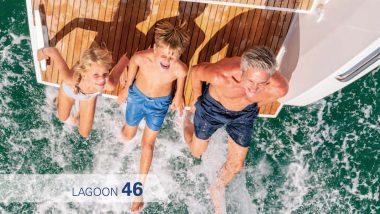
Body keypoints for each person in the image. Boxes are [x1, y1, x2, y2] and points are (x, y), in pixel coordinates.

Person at [183, 47, 289, 213]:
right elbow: (196, 72)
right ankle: (186, 122)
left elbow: (274, 94)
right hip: (213, 108)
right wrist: (198, 100)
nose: (254, 89)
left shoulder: (278, 87)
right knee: (196, 152)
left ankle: (217, 187)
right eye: (251, 82)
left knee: (236, 165)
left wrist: (250, 104)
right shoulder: (222, 75)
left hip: (243, 115)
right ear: (242, 71)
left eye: (262, 83)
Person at [117, 21, 190, 212]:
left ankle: (138, 191)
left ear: (179, 54)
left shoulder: (180, 69)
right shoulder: (142, 57)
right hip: (137, 98)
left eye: (173, 56)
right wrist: (126, 88)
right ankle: (124, 133)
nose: (167, 60)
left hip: (159, 105)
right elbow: (133, 63)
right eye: (164, 55)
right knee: (128, 135)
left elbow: (181, 81)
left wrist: (178, 95)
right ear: (154, 48)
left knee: (148, 144)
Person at [37, 46, 128, 138]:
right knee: (62, 117)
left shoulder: (109, 85)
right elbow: (53, 51)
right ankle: (59, 99)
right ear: (84, 74)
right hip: (68, 91)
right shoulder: (69, 79)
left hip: (88, 97)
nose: (102, 80)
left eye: (105, 74)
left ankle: (79, 110)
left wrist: (124, 67)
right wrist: (43, 51)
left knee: (84, 133)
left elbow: (127, 56)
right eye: (96, 75)